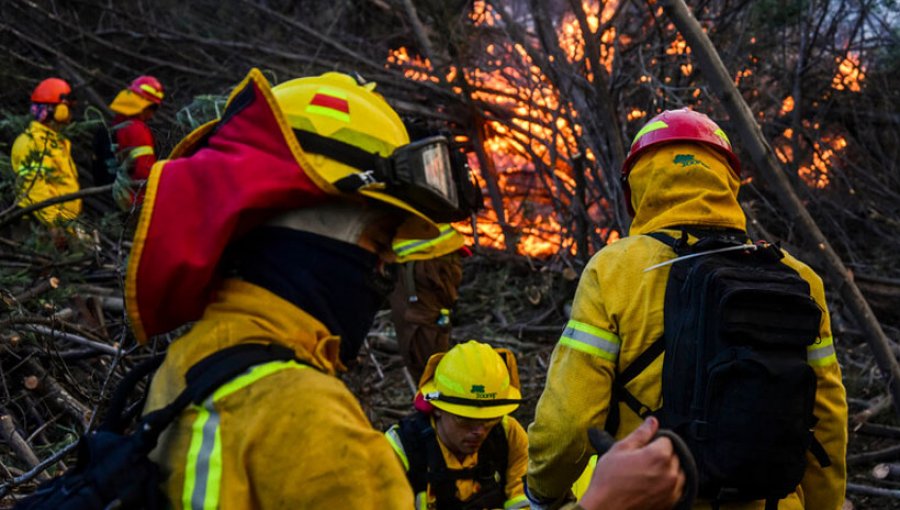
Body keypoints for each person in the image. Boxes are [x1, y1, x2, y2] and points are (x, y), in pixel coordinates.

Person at [130, 67, 684, 509]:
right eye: (379, 243)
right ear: (310, 222)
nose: (386, 271)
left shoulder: (196, 360)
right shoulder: (312, 424)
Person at [526, 109, 848, 509]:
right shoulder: (799, 278)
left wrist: (542, 492)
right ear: (728, 183)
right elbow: (828, 423)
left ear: (637, 188)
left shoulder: (616, 270)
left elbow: (568, 423)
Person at [385, 340, 529, 509]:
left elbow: (525, 500)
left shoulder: (507, 435)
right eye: (466, 420)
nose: (480, 431)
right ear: (437, 408)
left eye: (490, 419)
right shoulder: (400, 451)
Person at [389, 223, 467, 381]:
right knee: (429, 333)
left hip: (421, 256)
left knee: (422, 347)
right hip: (429, 252)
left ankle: (439, 399)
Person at [9, 77, 81, 227]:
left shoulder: (56, 142)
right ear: (59, 110)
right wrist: (54, 225)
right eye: (68, 109)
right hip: (41, 227)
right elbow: (35, 190)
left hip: (62, 223)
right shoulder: (31, 143)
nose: (69, 115)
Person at [93, 75, 164, 209]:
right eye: (153, 107)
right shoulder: (137, 129)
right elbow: (144, 170)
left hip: (116, 198)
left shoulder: (117, 125)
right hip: (137, 201)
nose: (153, 115)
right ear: (145, 105)